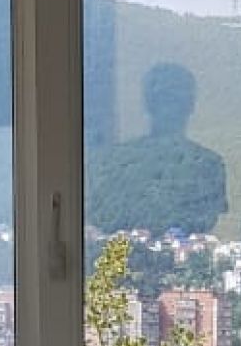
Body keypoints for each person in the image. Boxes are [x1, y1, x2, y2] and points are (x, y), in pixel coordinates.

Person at [87, 62, 227, 238]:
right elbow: (105, 220)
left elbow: (204, 223)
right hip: (124, 252)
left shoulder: (209, 164)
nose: (169, 108)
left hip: (178, 252)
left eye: (176, 99)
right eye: (164, 98)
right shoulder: (116, 160)